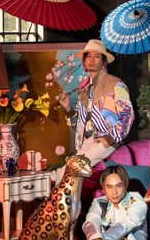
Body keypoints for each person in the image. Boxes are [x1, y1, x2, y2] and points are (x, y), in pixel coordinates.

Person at [55, 39, 134, 183]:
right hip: (87, 140)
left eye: (97, 56)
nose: (92, 60)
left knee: (70, 170)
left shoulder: (116, 84)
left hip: (107, 139)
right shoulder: (85, 88)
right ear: (84, 61)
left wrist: (109, 139)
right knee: (66, 172)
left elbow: (127, 116)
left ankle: (53, 189)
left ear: (104, 62)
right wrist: (68, 108)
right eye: (88, 56)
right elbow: (79, 123)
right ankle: (53, 189)